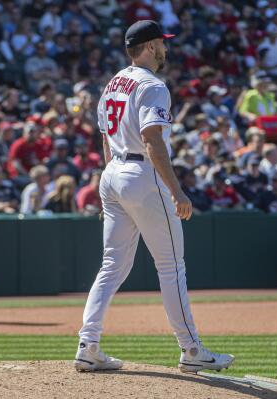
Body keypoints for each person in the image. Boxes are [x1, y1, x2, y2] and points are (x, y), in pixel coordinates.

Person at [75, 20, 234, 373]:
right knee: (172, 266)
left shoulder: (113, 82)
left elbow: (105, 137)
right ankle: (191, 350)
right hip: (141, 174)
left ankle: (89, 344)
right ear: (148, 46)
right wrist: (176, 191)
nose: (165, 48)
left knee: (111, 266)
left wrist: (112, 187)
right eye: (161, 43)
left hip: (113, 171)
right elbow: (152, 141)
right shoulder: (152, 85)